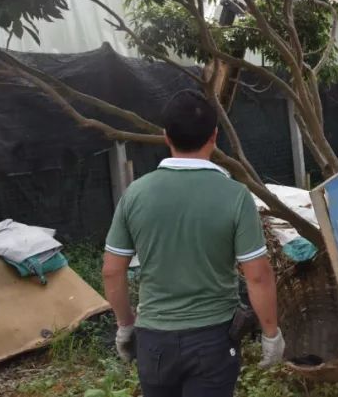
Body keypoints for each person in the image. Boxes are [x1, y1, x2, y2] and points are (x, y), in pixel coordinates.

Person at [102, 90, 285, 397]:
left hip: (154, 342)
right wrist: (270, 333)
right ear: (214, 135)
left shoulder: (135, 194)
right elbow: (257, 275)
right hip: (212, 342)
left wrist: (125, 325)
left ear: (166, 136)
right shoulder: (235, 196)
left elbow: (111, 270)